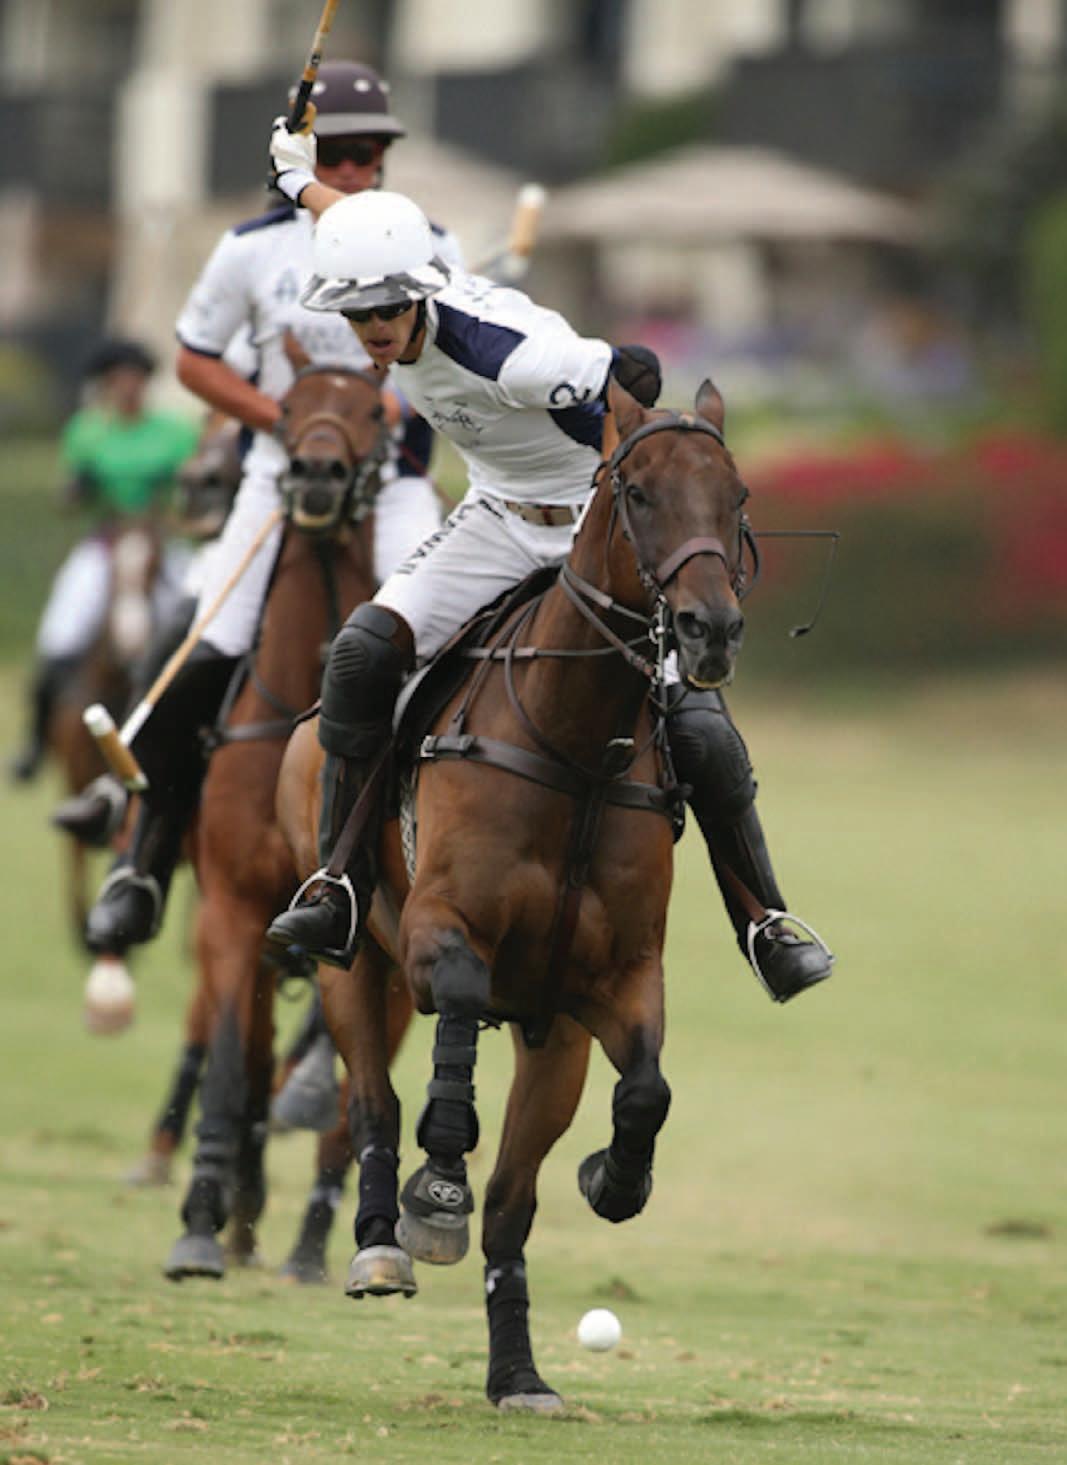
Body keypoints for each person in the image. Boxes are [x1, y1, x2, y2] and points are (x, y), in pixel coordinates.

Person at [263, 122, 833, 1004]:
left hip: (592, 529)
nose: (371, 329)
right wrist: (299, 182)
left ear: (418, 295)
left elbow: (634, 370)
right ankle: (337, 885)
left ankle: (764, 923)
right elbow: (366, 233)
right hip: (495, 515)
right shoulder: (398, 276)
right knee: (361, 653)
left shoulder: (515, 357)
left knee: (697, 726)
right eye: (356, 314)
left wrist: (621, 460)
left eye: (384, 312)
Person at [82, 61, 463, 954]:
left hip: (392, 479)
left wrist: (387, 411)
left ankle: (449, 841)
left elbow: (457, 356)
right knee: (205, 634)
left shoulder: (429, 241)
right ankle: (141, 856)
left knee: (449, 633)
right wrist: (286, 419)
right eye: (339, 153)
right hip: (276, 475)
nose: (357, 169)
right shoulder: (250, 250)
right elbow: (194, 359)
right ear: (304, 157)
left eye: (371, 153)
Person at [9, 338, 198, 783]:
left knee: (199, 625)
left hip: (159, 542)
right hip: (105, 544)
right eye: (118, 380)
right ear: (107, 386)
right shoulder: (87, 431)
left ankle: (202, 726)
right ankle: (35, 741)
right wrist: (78, 488)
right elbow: (67, 496)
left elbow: (191, 494)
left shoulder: (175, 432)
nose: (128, 387)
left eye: (135, 379)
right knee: (60, 633)